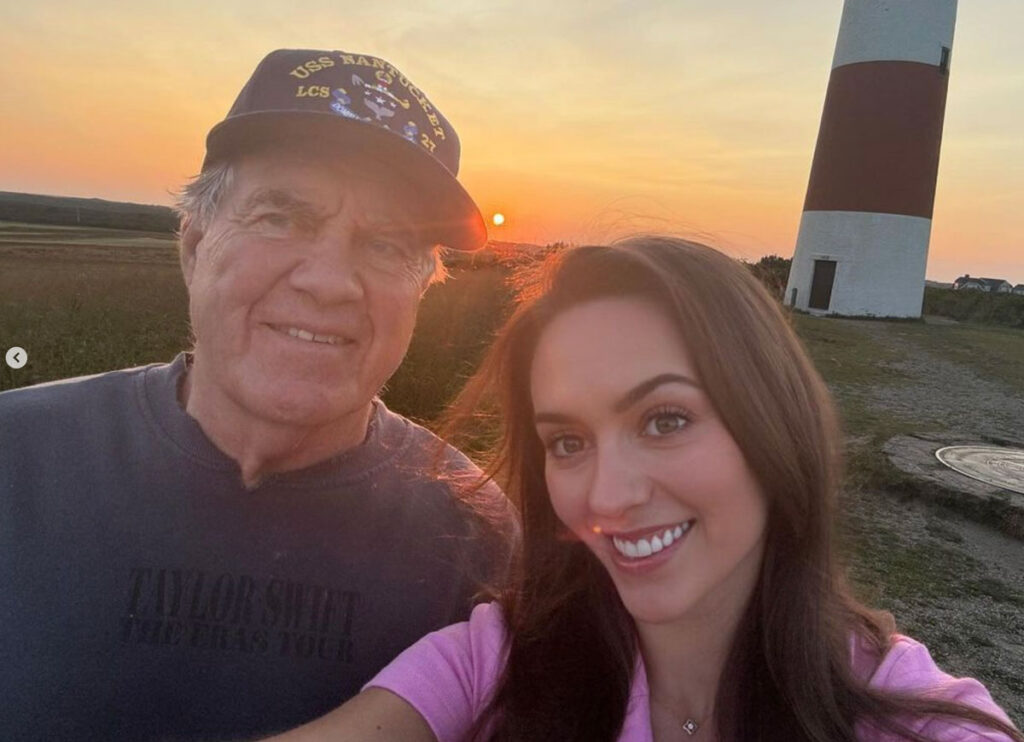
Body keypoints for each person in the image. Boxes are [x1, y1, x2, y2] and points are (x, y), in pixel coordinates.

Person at [265, 237, 1022, 741]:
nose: (608, 496)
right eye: (567, 442)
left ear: (772, 422)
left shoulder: (911, 717)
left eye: (665, 419)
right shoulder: (493, 666)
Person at [0, 49, 514, 741]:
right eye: (282, 217)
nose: (329, 280)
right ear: (194, 244)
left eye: (387, 244)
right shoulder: (17, 459)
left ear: (421, 290)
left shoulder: (480, 539)